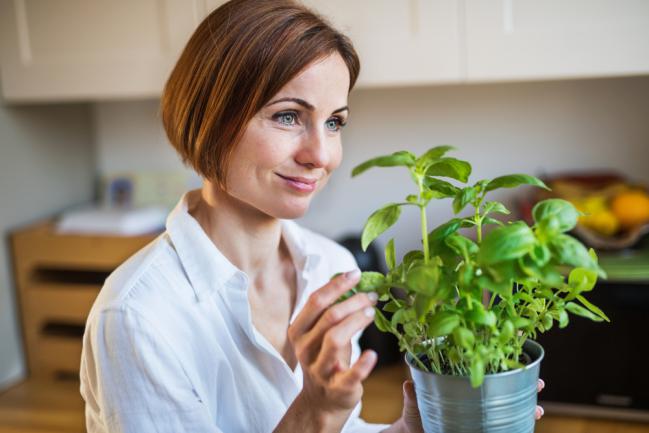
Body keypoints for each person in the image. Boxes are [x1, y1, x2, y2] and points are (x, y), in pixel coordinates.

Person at [79, 1, 543, 432]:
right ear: (210, 118)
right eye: (287, 116)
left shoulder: (332, 267)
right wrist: (315, 410)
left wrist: (411, 428)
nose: (321, 155)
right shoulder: (137, 316)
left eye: (334, 122)